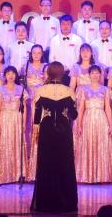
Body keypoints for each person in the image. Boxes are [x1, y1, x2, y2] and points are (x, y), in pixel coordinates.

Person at [30, 62, 78, 213]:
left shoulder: (41, 90)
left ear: (48, 73)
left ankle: (45, 202)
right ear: (62, 73)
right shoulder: (69, 91)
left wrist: (35, 130)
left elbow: (37, 115)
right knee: (64, 163)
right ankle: (66, 202)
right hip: (64, 131)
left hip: (47, 129)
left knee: (46, 163)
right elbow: (74, 115)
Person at [74, 65, 112, 183]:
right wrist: (79, 124)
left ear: (100, 75)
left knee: (101, 145)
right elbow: (81, 108)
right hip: (88, 119)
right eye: (92, 73)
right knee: (88, 144)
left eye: (97, 73)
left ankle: (102, 176)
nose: (95, 75)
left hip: (101, 119)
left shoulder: (105, 90)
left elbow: (108, 108)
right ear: (89, 75)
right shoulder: (83, 90)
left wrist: (110, 124)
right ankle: (87, 175)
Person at [0, 66, 26, 183]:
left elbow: (24, 108)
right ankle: (5, 173)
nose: (11, 75)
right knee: (6, 143)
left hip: (17, 118)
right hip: (5, 118)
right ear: (5, 76)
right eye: (8, 73)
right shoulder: (1, 90)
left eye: (13, 73)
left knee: (17, 143)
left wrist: (23, 122)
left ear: (16, 75)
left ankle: (19, 173)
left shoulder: (21, 89)